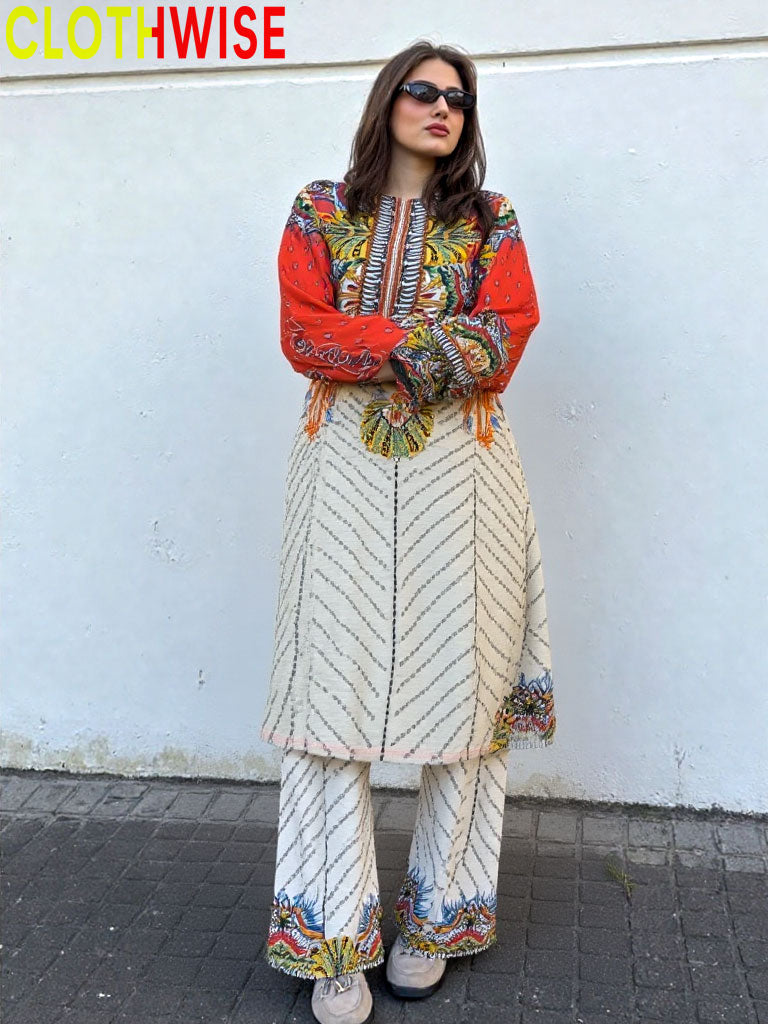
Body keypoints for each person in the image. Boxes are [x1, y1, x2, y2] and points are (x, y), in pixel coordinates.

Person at [260, 39, 556, 1024]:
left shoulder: (489, 220)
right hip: (342, 469)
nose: (442, 109)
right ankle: (330, 938)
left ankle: (435, 919)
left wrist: (377, 350)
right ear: (387, 100)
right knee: (326, 692)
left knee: (463, 691)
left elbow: (506, 332)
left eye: (458, 100)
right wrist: (430, 347)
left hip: (463, 476)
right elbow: (304, 330)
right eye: (423, 92)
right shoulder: (321, 211)